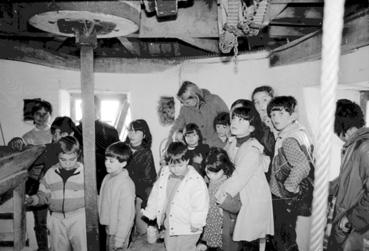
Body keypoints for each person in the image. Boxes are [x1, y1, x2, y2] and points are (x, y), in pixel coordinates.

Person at [216, 106, 273, 251]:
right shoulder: (233, 142)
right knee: (235, 234)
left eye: (242, 120)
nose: (235, 122)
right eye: (234, 118)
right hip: (240, 193)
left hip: (253, 195)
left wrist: (220, 192)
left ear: (252, 128)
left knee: (249, 238)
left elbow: (239, 177)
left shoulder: (252, 150)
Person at [267, 96, 315, 251]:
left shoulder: (288, 139)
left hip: (283, 197)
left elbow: (302, 166)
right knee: (287, 236)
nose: (275, 118)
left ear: (293, 116)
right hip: (291, 197)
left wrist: (289, 187)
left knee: (282, 241)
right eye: (273, 114)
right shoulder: (297, 131)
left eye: (281, 114)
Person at [142, 142, 209, 251]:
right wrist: (150, 211)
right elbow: (156, 194)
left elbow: (201, 204)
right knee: (170, 247)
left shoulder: (196, 181)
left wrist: (196, 222)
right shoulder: (164, 174)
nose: (176, 169)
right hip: (170, 223)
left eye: (180, 165)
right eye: (172, 165)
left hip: (188, 227)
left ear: (187, 161)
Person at [26, 136, 87, 251]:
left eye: (72, 159)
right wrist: (33, 200)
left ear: (78, 155)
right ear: (57, 157)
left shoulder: (85, 173)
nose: (68, 163)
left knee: (82, 248)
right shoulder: (50, 173)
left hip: (79, 218)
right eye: (63, 160)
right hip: (56, 220)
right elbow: (43, 195)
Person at [328, 99, 369, 251]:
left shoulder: (365, 148)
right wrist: (324, 189)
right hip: (347, 223)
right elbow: (347, 180)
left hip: (356, 228)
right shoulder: (353, 146)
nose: (339, 137)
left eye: (337, 131)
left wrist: (352, 219)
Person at [167, 81, 229, 148]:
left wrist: (226, 136)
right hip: (198, 150)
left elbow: (228, 119)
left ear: (196, 97)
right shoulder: (184, 109)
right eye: (183, 102)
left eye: (187, 102)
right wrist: (170, 138)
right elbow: (177, 125)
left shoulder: (214, 101)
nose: (185, 105)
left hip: (219, 146)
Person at [201, 147, 240, 251]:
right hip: (212, 215)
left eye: (215, 173)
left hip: (221, 219)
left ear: (225, 168)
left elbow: (235, 204)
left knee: (222, 243)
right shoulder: (213, 179)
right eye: (208, 172)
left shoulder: (228, 182)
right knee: (213, 242)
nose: (212, 176)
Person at [98, 142, 136, 251]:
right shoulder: (107, 177)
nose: (107, 163)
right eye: (106, 159)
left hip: (119, 233)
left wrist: (119, 240)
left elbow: (127, 216)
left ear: (123, 163)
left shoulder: (126, 184)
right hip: (109, 228)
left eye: (111, 161)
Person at [125, 119, 157, 236]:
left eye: (136, 132)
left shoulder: (146, 153)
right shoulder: (122, 149)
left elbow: (149, 180)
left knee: (142, 231)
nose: (132, 134)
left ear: (144, 135)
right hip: (122, 193)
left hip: (139, 195)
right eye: (130, 131)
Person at [252, 86, 276, 177]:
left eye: (265, 100)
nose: (261, 106)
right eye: (257, 102)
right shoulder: (256, 126)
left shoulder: (282, 122)